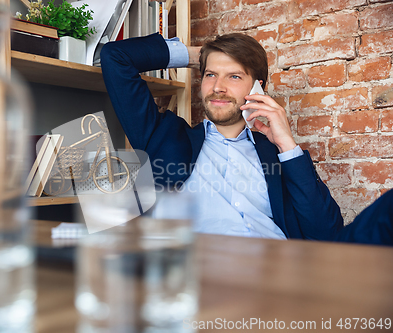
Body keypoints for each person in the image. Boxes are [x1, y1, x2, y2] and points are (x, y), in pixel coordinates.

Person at [100, 32, 392, 245]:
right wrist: (201, 55)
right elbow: (116, 57)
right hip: (203, 279)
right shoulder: (164, 135)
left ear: (257, 88)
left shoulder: (275, 155)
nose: (218, 88)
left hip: (281, 275)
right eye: (211, 75)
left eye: (234, 77)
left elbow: (326, 234)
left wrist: (287, 145)